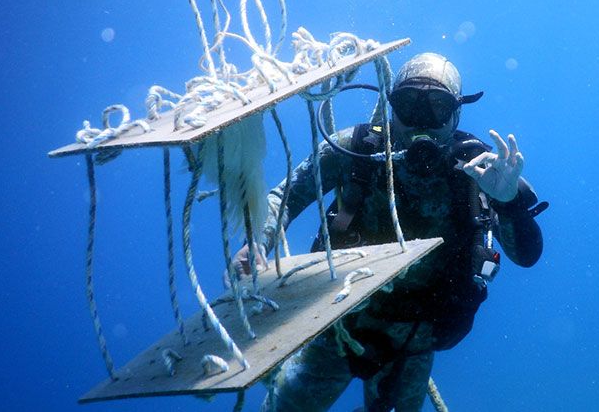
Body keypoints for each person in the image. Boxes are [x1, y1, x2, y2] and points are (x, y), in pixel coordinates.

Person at [233, 52, 546, 411]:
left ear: (456, 113)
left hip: (416, 337)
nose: (421, 122)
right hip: (337, 321)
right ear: (390, 106)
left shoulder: (479, 172)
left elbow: (526, 256)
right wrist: (258, 240)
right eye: (408, 105)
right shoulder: (354, 149)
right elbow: (284, 197)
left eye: (437, 108)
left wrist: (507, 203)